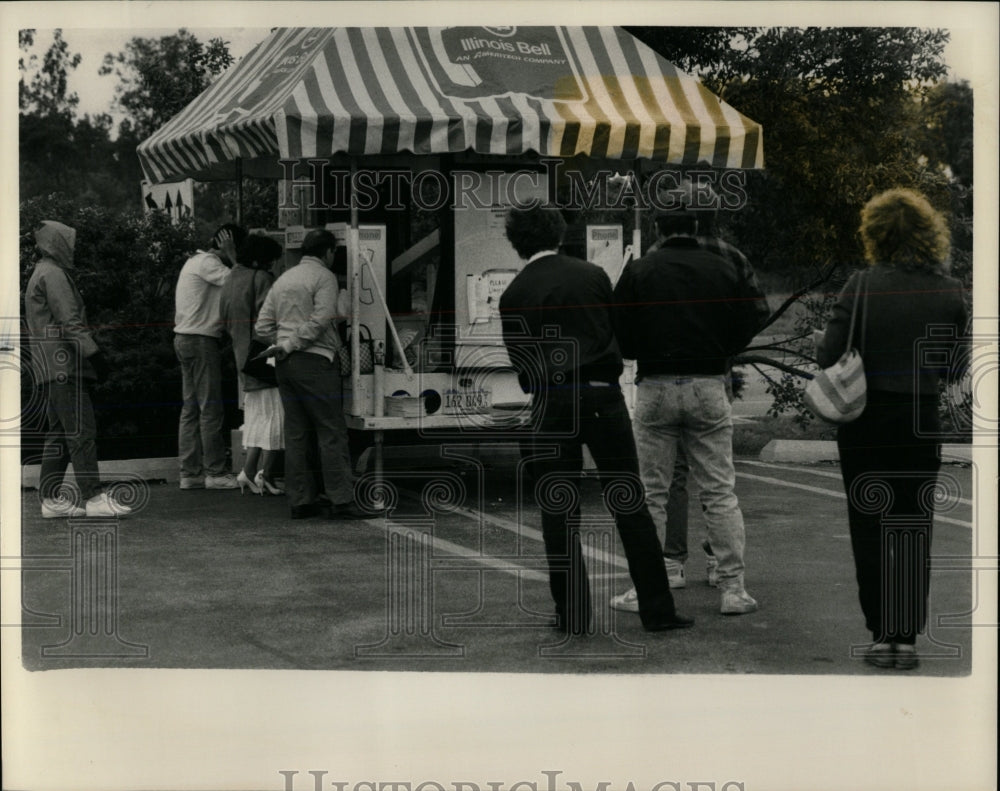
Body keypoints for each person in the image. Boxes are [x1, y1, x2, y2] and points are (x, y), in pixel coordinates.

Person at [498, 205, 693, 635]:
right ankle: (657, 609)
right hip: (603, 396)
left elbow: (525, 371)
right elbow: (617, 333)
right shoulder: (592, 275)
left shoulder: (514, 294)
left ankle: (572, 614)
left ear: (516, 241)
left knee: (559, 512)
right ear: (560, 232)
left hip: (552, 403)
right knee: (630, 503)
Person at [816, 188, 968, 670]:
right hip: (920, 421)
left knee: (869, 525)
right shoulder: (949, 292)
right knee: (912, 526)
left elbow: (828, 355)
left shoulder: (859, 286)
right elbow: (954, 367)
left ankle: (881, 635)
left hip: (865, 422)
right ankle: (904, 638)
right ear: (930, 236)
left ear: (875, 235)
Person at [611, 180, 768, 615]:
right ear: (698, 222)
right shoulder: (725, 264)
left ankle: (647, 586)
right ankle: (733, 589)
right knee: (720, 491)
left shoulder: (642, 269)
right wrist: (724, 345)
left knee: (651, 494)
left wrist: (641, 347)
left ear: (660, 227)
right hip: (708, 383)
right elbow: (756, 311)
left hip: (656, 385)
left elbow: (619, 331)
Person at [255, 229, 366, 520]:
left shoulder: (283, 279)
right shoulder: (324, 277)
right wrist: (294, 343)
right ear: (328, 252)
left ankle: (301, 501)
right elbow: (321, 319)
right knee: (331, 431)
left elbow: (262, 326)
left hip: (284, 365)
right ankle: (341, 499)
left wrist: (282, 345)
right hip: (316, 361)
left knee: (296, 432)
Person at [24, 220, 131, 518]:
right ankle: (92, 496)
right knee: (81, 430)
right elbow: (70, 321)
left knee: (59, 433)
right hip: (65, 364)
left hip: (47, 366)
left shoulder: (40, 273)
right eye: (68, 241)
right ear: (58, 243)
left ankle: (50, 498)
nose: (72, 247)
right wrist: (94, 354)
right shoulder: (55, 274)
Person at [174, 223, 247, 490]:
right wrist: (232, 253)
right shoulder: (209, 263)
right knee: (210, 408)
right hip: (201, 340)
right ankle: (215, 472)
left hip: (185, 338)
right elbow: (241, 282)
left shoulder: (195, 261)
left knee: (191, 408)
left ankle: (190, 472)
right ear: (228, 244)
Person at [220, 234, 285, 495]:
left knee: (257, 417)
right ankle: (266, 475)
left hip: (242, 355)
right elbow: (269, 319)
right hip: (264, 356)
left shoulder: (231, 278)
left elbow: (223, 318)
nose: (275, 265)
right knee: (277, 416)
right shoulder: (263, 279)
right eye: (273, 260)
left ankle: (247, 472)